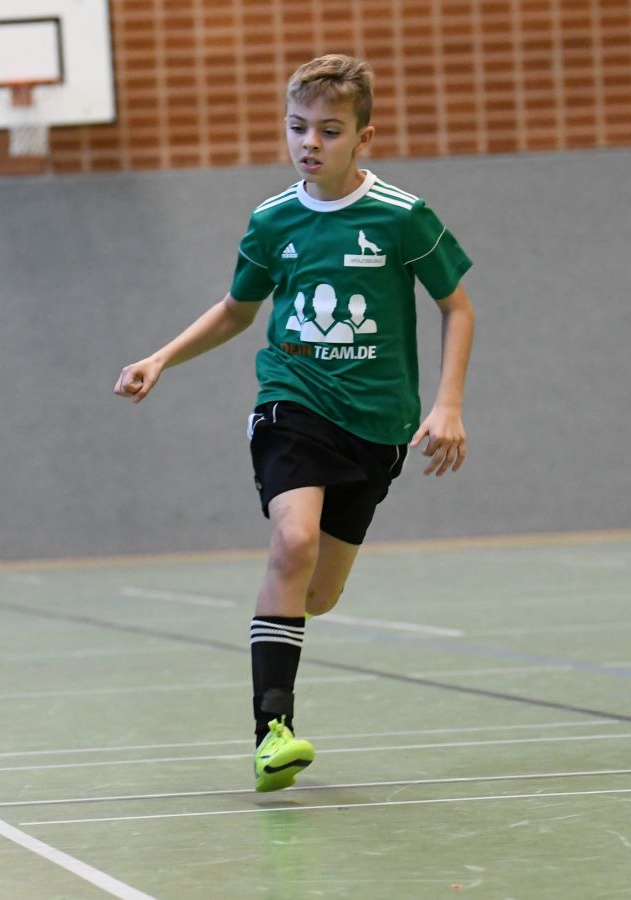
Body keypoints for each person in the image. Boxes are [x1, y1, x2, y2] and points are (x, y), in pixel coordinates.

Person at [113, 54, 474, 792]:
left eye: (329, 130)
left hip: (378, 426)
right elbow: (236, 311)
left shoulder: (402, 216)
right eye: (297, 127)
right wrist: (161, 357)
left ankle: (275, 623)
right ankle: (271, 731)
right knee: (294, 541)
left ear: (363, 137)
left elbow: (458, 307)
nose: (310, 142)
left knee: (317, 594)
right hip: (293, 401)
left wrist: (448, 405)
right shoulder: (272, 219)